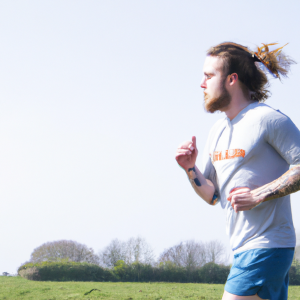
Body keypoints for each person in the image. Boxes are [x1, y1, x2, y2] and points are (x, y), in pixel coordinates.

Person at [175, 42, 299, 300]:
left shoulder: (268, 119)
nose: (201, 83)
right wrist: (190, 168)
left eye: (209, 76)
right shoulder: (218, 130)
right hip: (242, 248)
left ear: (232, 79)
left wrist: (258, 195)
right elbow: (213, 195)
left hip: (268, 245)